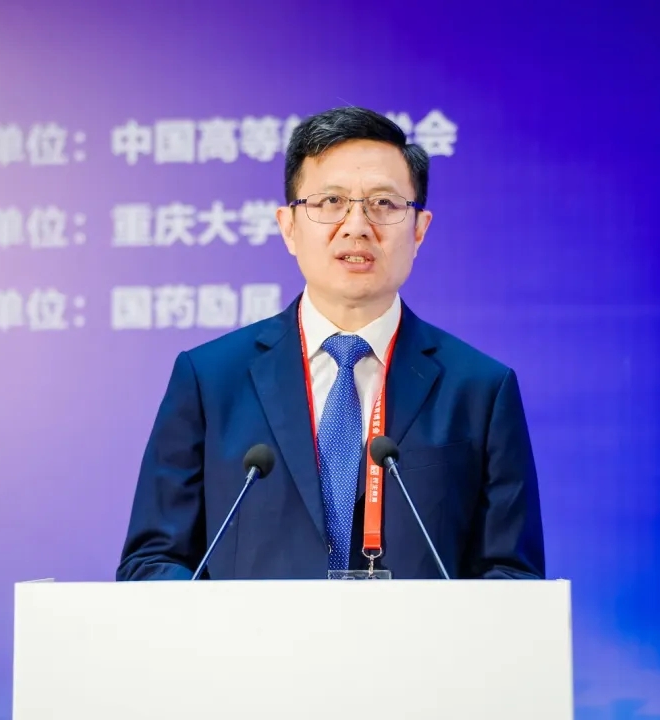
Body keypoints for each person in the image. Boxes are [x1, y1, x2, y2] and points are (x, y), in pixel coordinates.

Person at [116, 106, 545, 580]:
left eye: (384, 204)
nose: (357, 225)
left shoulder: (480, 390)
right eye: (330, 201)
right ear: (288, 226)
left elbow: (512, 577)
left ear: (420, 229)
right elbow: (152, 564)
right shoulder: (210, 380)